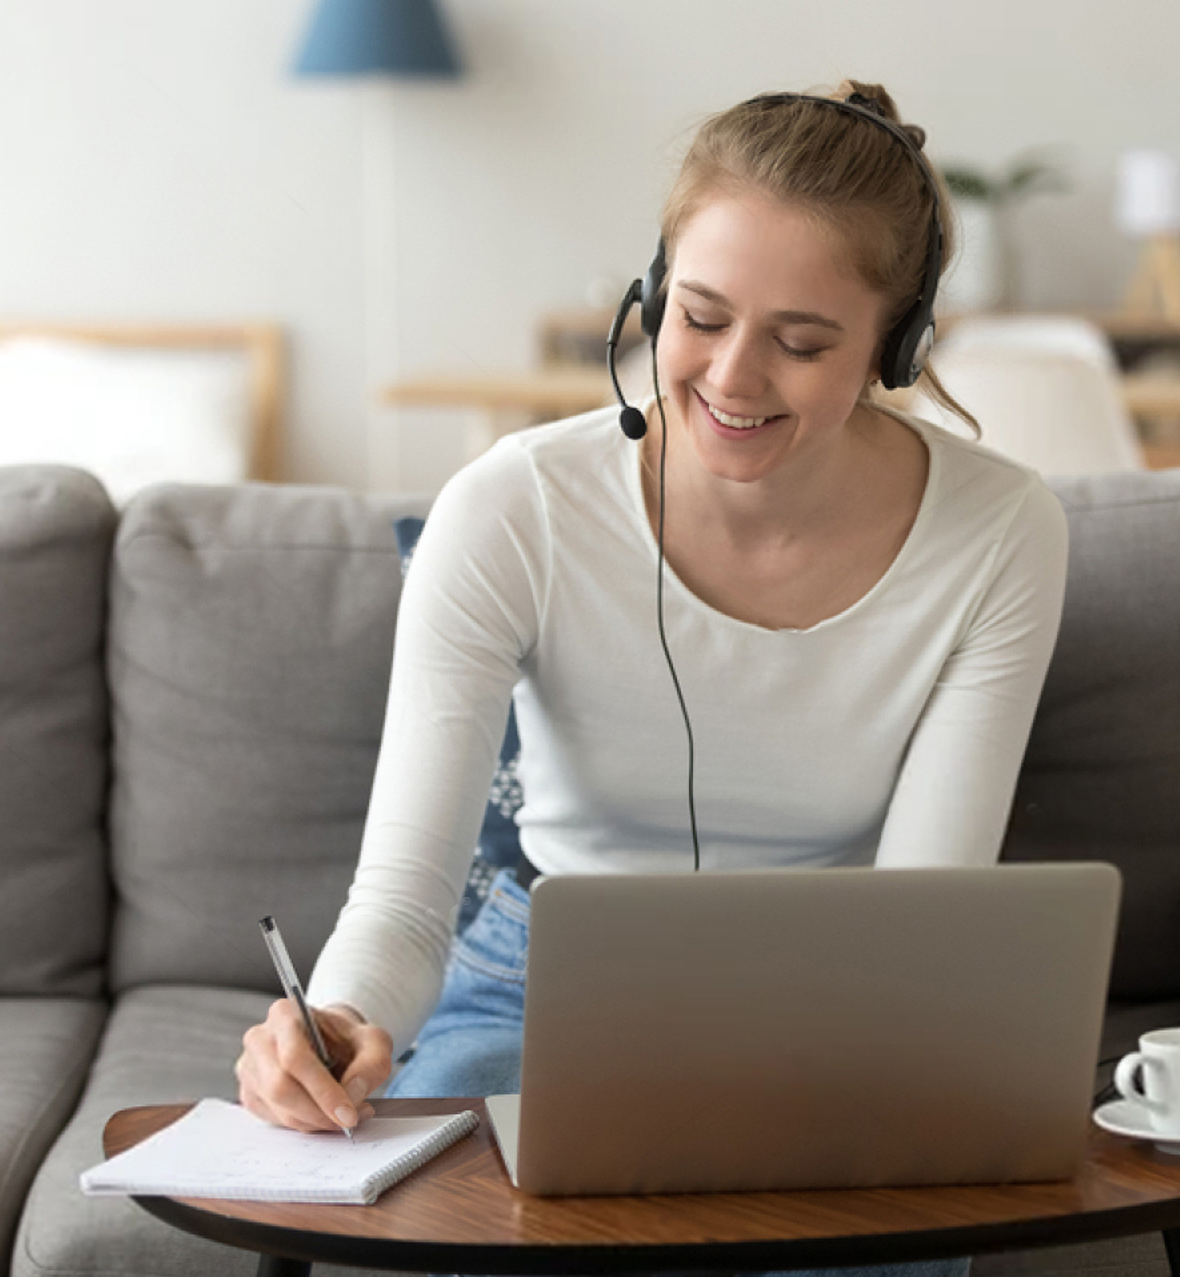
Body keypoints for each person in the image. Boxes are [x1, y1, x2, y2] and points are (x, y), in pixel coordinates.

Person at [234, 80, 1070, 1276]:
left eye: (800, 341)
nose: (731, 379)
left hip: (845, 1006)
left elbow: (919, 922)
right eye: (699, 315)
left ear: (896, 346)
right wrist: (341, 1021)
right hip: (541, 984)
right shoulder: (511, 509)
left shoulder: (997, 531)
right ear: (648, 295)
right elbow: (407, 904)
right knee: (451, 1246)